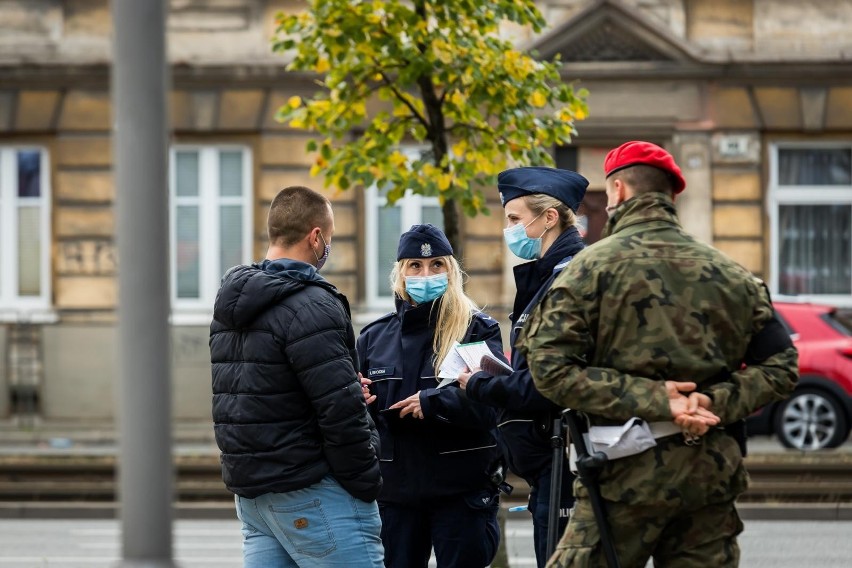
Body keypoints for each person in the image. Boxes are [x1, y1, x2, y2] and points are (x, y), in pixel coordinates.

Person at [518, 141, 799, 567]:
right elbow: (781, 366)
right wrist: (711, 402)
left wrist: (655, 399)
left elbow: (550, 369)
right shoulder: (732, 275)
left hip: (620, 478)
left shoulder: (588, 270)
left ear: (618, 192)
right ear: (672, 196)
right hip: (707, 475)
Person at [210, 185, 384, 568]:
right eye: (330, 238)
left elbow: (257, 389)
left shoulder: (231, 302)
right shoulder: (313, 303)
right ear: (316, 236)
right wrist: (366, 481)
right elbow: (339, 408)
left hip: (254, 495)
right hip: (312, 490)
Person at [458, 166, 589, 568]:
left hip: (565, 455)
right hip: (547, 462)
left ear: (549, 217)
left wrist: (481, 384)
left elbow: (549, 383)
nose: (509, 229)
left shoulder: (568, 278)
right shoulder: (544, 276)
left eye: (515, 218)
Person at [357, 223, 504, 568]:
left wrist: (432, 402)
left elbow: (492, 403)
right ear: (400, 273)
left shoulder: (476, 328)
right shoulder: (374, 338)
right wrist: (359, 401)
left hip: (461, 493)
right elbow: (361, 420)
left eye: (437, 265)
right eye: (416, 266)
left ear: (451, 271)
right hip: (396, 497)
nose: (426, 273)